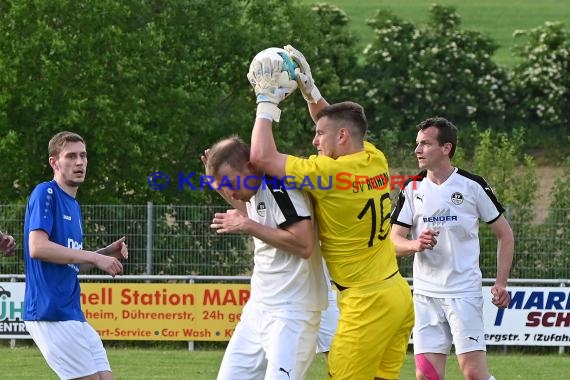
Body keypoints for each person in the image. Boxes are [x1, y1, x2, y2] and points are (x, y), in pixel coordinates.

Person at [247, 45, 414, 380]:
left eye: (319, 135)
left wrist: (266, 102)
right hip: (397, 295)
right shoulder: (374, 158)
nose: (314, 140)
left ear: (340, 137)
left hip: (365, 303)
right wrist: (311, 92)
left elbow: (261, 156)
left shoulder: (329, 175)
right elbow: (336, 122)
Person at [390, 117, 515, 380]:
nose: (417, 150)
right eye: (417, 144)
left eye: (425, 144)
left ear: (446, 148)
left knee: (473, 374)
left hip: (463, 292)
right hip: (425, 295)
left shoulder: (472, 185)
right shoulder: (412, 187)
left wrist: (501, 283)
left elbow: (505, 235)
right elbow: (393, 241)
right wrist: (416, 244)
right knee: (426, 376)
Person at [202, 136, 328, 380]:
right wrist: (221, 188)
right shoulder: (252, 190)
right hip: (258, 309)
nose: (228, 190)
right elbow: (253, 213)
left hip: (291, 314)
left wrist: (247, 225)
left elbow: (304, 245)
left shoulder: (280, 187)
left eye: (228, 182)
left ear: (251, 167)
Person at [23, 131, 129, 380]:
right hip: (50, 312)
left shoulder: (74, 205)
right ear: (54, 162)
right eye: (71, 156)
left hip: (72, 313)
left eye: (83, 155)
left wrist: (104, 254)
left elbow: (71, 265)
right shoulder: (45, 193)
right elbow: (37, 247)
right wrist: (95, 257)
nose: (79, 162)